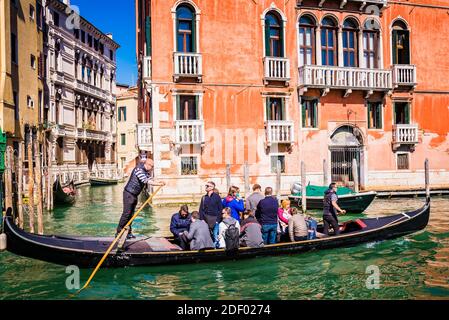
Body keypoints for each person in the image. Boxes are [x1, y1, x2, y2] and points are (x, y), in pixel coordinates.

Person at [116, 158, 165, 238]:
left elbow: (149, 178)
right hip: (128, 194)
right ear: (148, 164)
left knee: (131, 215)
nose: (152, 168)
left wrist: (159, 182)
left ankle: (128, 232)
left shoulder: (145, 171)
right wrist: (158, 185)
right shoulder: (139, 169)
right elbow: (146, 181)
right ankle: (119, 232)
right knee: (126, 214)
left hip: (134, 195)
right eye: (152, 166)